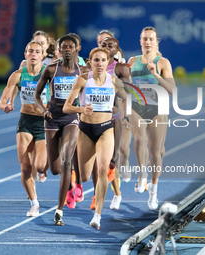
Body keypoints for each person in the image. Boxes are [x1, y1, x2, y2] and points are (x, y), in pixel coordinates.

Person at [63, 47, 127, 229]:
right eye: (96, 60)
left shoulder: (114, 81)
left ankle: (97, 215)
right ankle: (80, 184)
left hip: (106, 129)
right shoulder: (83, 80)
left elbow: (126, 99)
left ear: (108, 63)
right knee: (84, 175)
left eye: (103, 60)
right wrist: (81, 109)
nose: (99, 64)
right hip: (85, 130)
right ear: (90, 62)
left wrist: (125, 115)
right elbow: (67, 107)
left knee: (101, 170)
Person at [34, 35, 88, 226]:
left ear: (76, 50)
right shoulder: (50, 69)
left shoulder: (83, 71)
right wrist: (44, 110)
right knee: (55, 169)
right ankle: (67, 179)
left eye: (70, 46)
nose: (66, 49)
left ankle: (59, 211)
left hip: (71, 117)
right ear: (58, 49)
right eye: (63, 46)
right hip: (52, 117)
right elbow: (37, 94)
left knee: (66, 161)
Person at [0, 41, 49, 217]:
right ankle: (34, 203)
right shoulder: (18, 75)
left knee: (40, 166)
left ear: (43, 55)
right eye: (30, 51)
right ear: (25, 54)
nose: (33, 54)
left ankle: (45, 168)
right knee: (25, 167)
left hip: (43, 123)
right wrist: (5, 106)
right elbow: (1, 101)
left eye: (37, 52)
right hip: (25, 121)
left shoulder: (49, 75)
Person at [127, 27, 175, 210]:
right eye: (144, 39)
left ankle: (153, 190)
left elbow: (172, 90)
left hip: (158, 108)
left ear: (157, 42)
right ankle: (142, 175)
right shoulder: (132, 62)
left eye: (151, 39)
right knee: (139, 140)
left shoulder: (163, 62)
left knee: (156, 152)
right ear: (140, 41)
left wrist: (155, 75)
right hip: (138, 108)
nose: (147, 42)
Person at [89, 37, 131, 210]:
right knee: (97, 159)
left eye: (110, 46)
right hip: (96, 116)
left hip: (115, 116)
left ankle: (117, 193)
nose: (106, 48)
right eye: (103, 45)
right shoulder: (93, 65)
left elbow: (128, 92)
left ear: (116, 50)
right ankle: (97, 194)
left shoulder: (120, 68)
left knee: (113, 158)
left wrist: (127, 115)